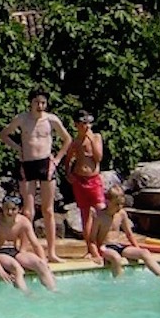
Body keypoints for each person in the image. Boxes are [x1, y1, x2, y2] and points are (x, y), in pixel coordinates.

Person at [0, 90, 73, 263]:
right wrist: (18, 148)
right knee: (28, 210)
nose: (40, 106)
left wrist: (57, 159)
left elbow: (67, 139)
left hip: (46, 164)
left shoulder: (51, 119)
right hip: (27, 163)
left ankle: (52, 251)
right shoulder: (22, 119)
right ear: (30, 103)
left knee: (48, 210)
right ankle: (23, 248)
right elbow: (4, 134)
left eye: (43, 103)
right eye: (36, 102)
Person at [90, 186, 160, 279]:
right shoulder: (99, 217)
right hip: (105, 248)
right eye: (117, 204)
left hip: (118, 245)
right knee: (116, 258)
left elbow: (129, 234)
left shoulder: (121, 214)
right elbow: (92, 239)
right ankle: (119, 283)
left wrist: (137, 248)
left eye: (122, 204)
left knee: (144, 252)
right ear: (108, 202)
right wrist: (96, 255)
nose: (120, 207)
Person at [0, 194, 57, 293]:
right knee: (17, 269)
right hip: (0, 253)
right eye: (6, 208)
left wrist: (44, 263)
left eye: (13, 209)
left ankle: (54, 291)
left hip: (15, 252)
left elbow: (36, 244)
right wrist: (0, 270)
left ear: (19, 209)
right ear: (2, 207)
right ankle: (27, 295)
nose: (9, 212)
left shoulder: (23, 221)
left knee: (40, 264)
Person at [64, 109, 106, 259]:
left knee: (101, 211)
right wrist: (68, 174)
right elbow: (67, 160)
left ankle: (101, 244)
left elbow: (98, 157)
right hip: (79, 180)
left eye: (88, 123)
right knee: (85, 215)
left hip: (93, 180)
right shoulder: (75, 142)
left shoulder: (96, 137)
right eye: (83, 123)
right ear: (77, 125)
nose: (86, 126)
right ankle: (90, 248)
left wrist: (90, 138)